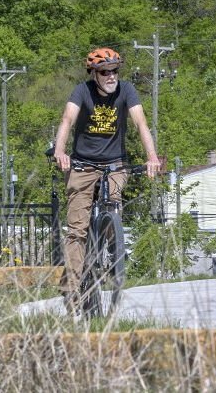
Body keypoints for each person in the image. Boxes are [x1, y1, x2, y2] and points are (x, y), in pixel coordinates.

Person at [53, 47, 161, 315]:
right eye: (105, 72)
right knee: (77, 230)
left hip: (115, 165)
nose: (111, 76)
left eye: (114, 71)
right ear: (94, 74)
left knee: (112, 204)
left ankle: (113, 250)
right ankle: (71, 290)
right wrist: (60, 151)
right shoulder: (82, 91)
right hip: (82, 165)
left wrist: (152, 157)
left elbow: (140, 124)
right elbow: (67, 119)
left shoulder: (126, 91)